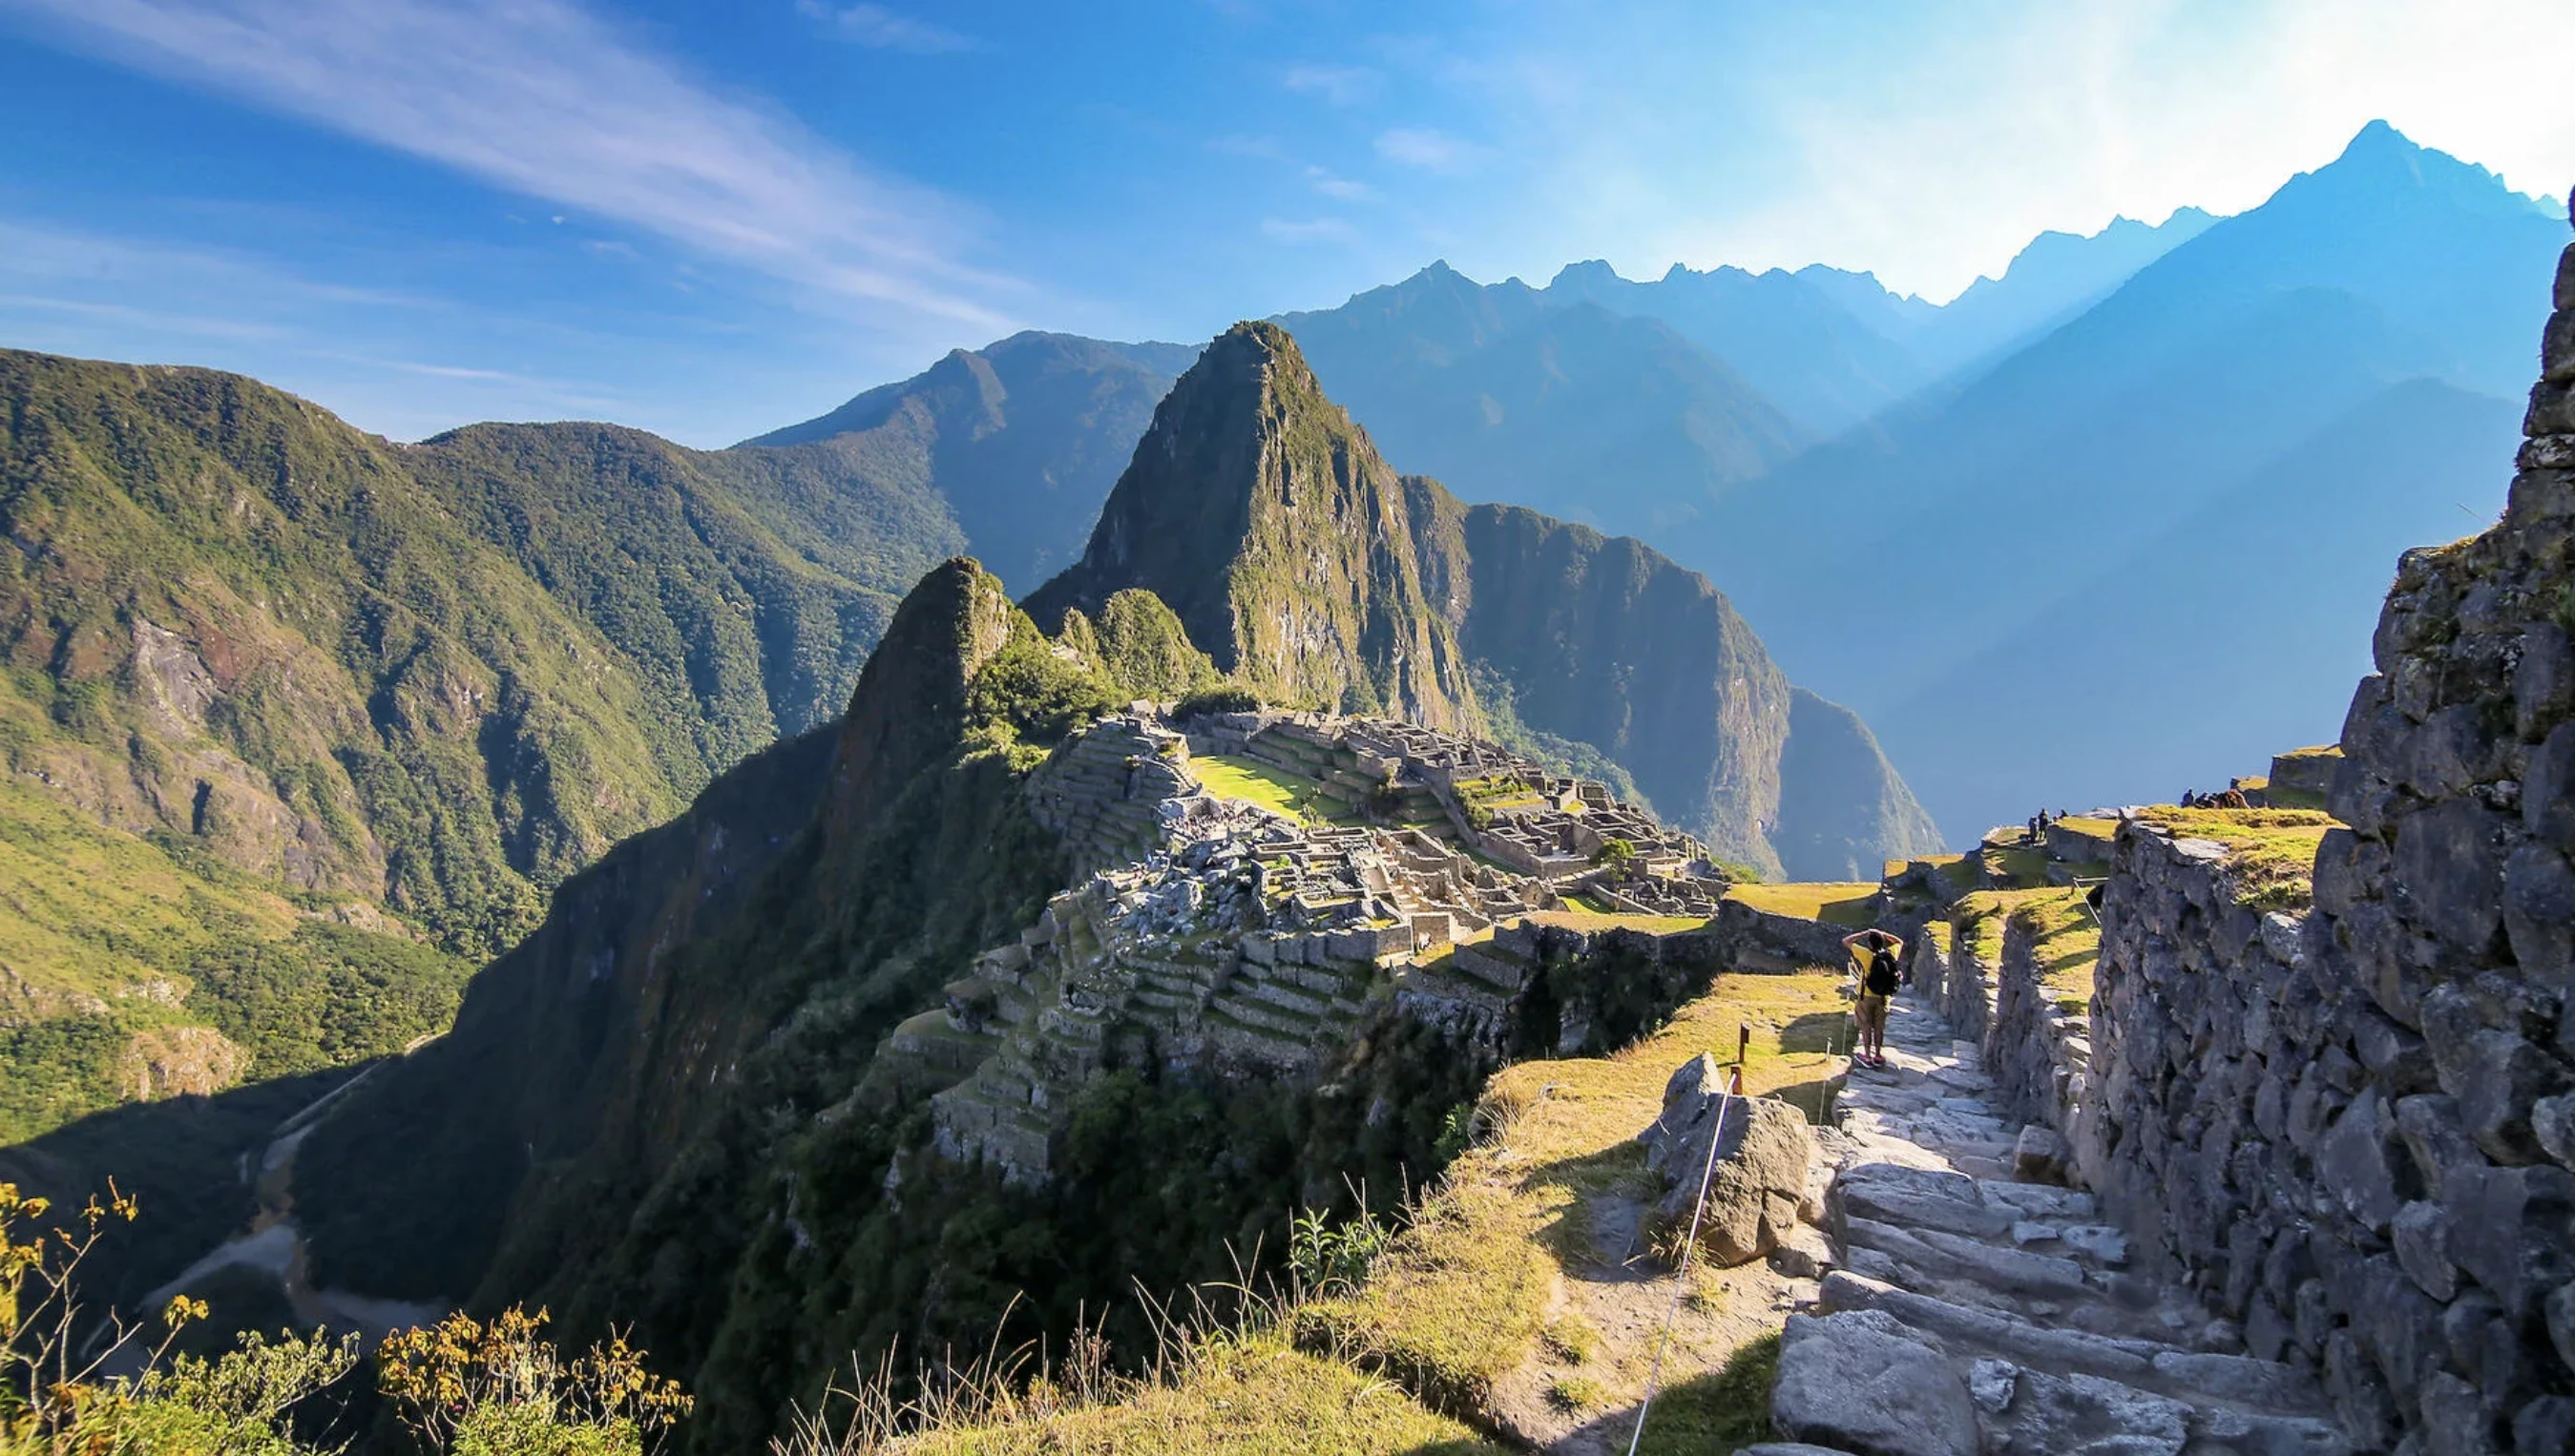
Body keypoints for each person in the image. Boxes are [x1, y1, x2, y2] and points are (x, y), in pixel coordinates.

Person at [1841, 927, 1904, 1069]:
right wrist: (1884, 933)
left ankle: (1867, 1056)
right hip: (1884, 997)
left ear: (1870, 943)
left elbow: (1846, 941)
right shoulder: (1891, 954)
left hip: (1866, 996)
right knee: (1879, 1028)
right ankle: (1878, 1055)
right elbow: (1899, 941)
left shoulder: (1866, 954)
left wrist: (1864, 933)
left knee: (1866, 1026)